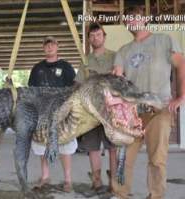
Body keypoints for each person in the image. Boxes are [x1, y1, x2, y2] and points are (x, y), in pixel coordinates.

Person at [111, 6, 185, 199]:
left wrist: (181, 97)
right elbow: (117, 79)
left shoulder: (164, 40)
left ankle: (156, 195)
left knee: (157, 159)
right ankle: (120, 194)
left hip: (159, 109)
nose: (131, 21)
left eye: (135, 17)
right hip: (132, 113)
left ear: (145, 20)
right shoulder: (123, 51)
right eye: (128, 19)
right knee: (123, 157)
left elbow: (181, 65)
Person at [28, 36, 77, 192]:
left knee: (65, 146)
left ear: (57, 46)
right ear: (43, 48)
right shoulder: (37, 69)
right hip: (42, 113)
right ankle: (45, 176)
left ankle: (68, 180)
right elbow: (31, 91)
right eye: (46, 45)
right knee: (42, 145)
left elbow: (74, 89)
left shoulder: (67, 67)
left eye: (52, 44)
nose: (49, 47)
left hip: (63, 113)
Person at [75, 22, 116, 191]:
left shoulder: (115, 57)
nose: (95, 38)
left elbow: (123, 80)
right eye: (92, 36)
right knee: (92, 147)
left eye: (98, 35)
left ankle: (114, 182)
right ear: (89, 39)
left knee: (113, 147)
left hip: (111, 111)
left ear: (104, 37)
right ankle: (97, 181)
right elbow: (77, 84)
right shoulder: (85, 61)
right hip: (90, 112)